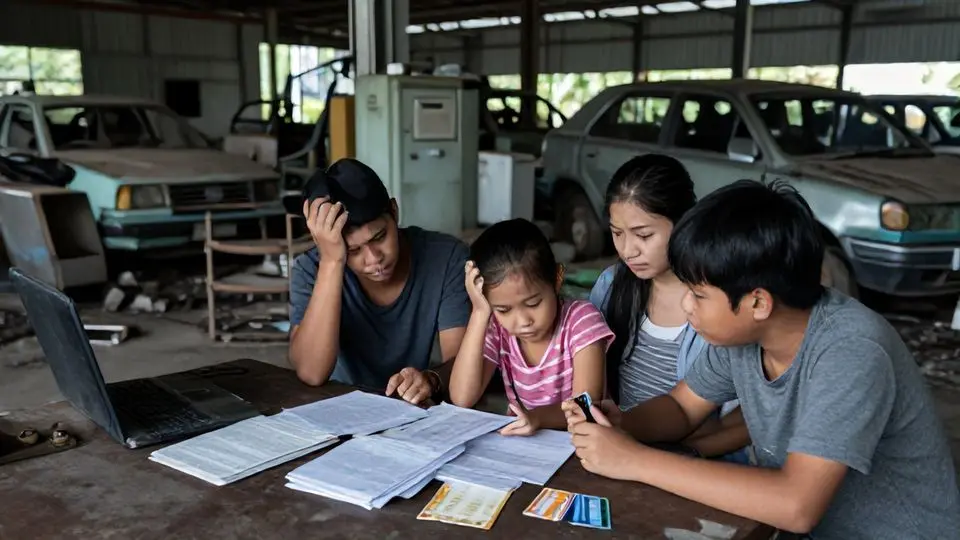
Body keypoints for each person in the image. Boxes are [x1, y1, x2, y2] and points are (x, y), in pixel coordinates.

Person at [565, 180, 960, 538]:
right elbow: (682, 407)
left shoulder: (851, 350)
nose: (687, 306)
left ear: (758, 302)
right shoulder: (744, 336)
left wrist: (635, 460)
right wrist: (621, 424)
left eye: (699, 295)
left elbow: (796, 505)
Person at [588, 154, 750, 459]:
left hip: (695, 457)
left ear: (684, 222)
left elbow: (740, 420)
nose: (627, 250)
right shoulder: (611, 286)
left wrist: (678, 453)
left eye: (644, 235)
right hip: (619, 443)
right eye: (617, 233)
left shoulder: (720, 304)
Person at [288, 158, 470, 405]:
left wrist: (432, 378)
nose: (374, 259)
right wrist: (331, 263)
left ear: (394, 212)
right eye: (353, 250)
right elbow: (311, 372)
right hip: (341, 410)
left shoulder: (446, 258)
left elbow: (464, 363)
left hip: (415, 412)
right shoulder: (310, 269)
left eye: (380, 236)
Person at [448, 218, 613, 436]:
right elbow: (462, 397)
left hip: (580, 446)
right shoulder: (498, 329)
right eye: (504, 309)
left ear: (557, 278)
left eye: (533, 303)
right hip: (524, 447)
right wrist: (480, 313)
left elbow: (584, 406)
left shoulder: (581, 321)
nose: (523, 321)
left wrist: (537, 418)